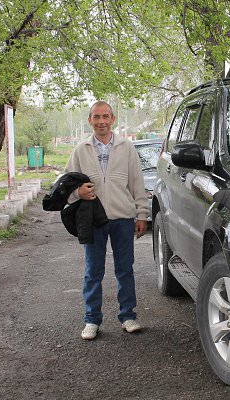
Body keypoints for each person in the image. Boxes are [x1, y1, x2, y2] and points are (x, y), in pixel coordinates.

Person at [65, 101, 149, 340]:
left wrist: (142, 214)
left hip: (123, 218)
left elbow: (137, 182)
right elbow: (65, 184)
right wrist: (77, 193)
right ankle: (91, 320)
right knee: (93, 271)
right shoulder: (81, 150)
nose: (101, 121)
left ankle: (128, 316)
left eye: (105, 116)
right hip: (93, 219)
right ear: (89, 120)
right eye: (96, 117)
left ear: (113, 119)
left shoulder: (126, 147)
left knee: (125, 269)